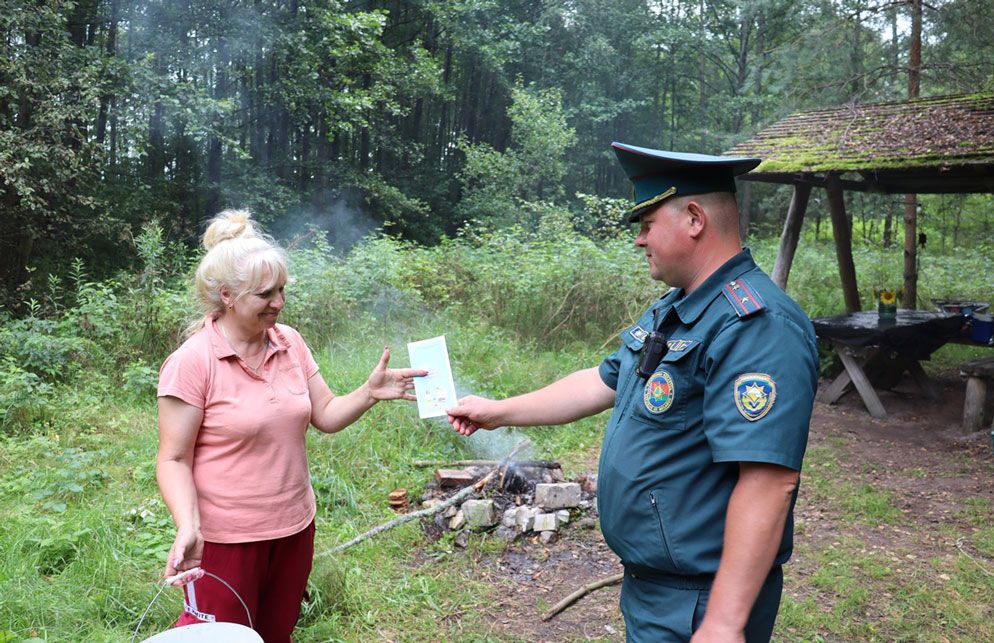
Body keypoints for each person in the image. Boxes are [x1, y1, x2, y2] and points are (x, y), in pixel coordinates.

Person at [447, 142, 818, 643]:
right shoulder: (678, 307)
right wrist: (497, 411)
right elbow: (602, 381)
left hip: (701, 599)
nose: (639, 240)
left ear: (693, 218)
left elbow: (768, 480)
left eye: (646, 225)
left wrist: (725, 621)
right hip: (656, 589)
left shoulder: (756, 325)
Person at [156, 209, 426, 642]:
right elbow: (172, 459)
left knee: (275, 634)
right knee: (222, 638)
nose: (278, 303)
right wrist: (188, 525)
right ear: (226, 294)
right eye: (265, 294)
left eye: (282, 290)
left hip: (294, 529)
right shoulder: (192, 362)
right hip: (225, 541)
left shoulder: (290, 342)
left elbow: (326, 415)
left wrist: (369, 393)